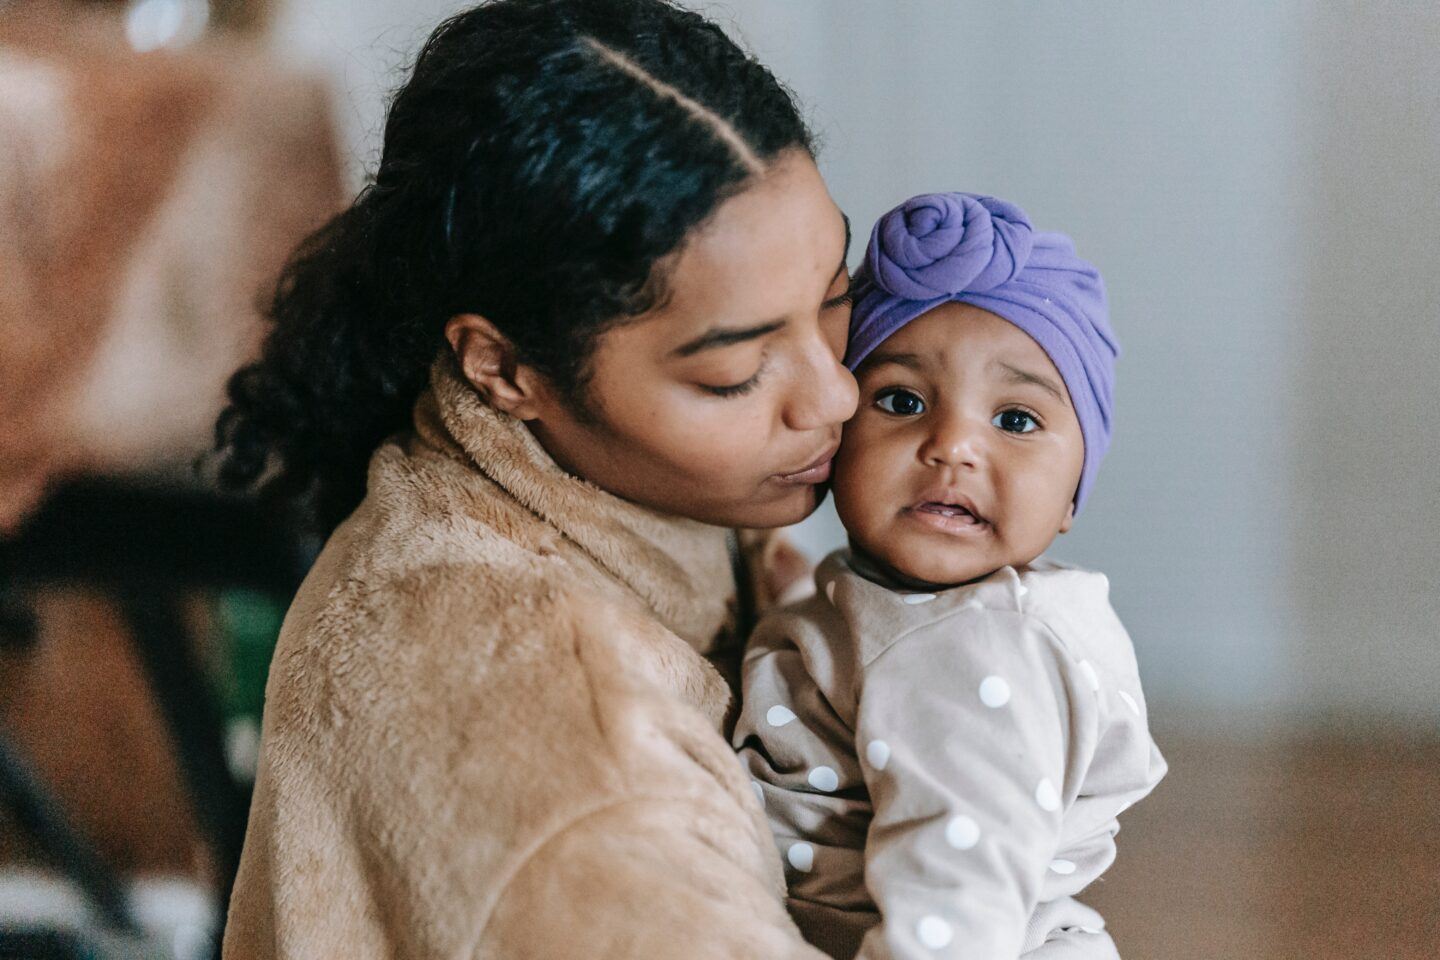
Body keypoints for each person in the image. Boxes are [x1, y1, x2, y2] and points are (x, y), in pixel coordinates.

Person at [212, 1, 860, 956]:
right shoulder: (585, 764)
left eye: (837, 297)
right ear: (504, 369)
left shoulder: (635, 493)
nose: (835, 395)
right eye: (733, 373)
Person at [734, 193, 1167, 959]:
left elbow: (956, 888)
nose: (952, 445)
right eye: (902, 401)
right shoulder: (903, 609)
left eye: (1016, 420)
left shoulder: (976, 648)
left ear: (1073, 492)